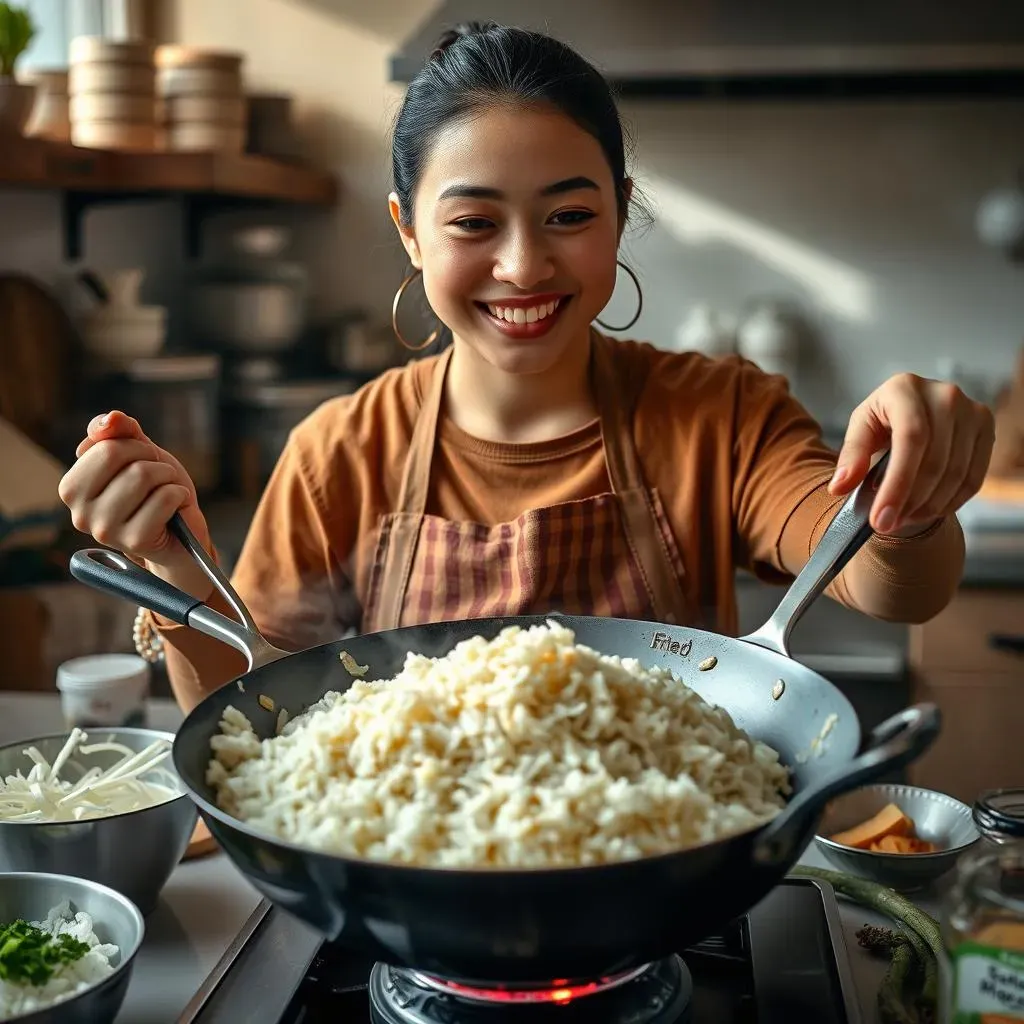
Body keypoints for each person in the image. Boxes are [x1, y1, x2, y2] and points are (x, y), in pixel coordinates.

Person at [58, 23, 993, 714]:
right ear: (409, 232)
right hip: (415, 888)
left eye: (569, 216)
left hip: (665, 882)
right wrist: (173, 570)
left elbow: (895, 588)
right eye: (472, 223)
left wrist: (914, 496)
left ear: (620, 215)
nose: (523, 266)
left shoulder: (722, 413)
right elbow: (250, 713)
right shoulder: (339, 451)